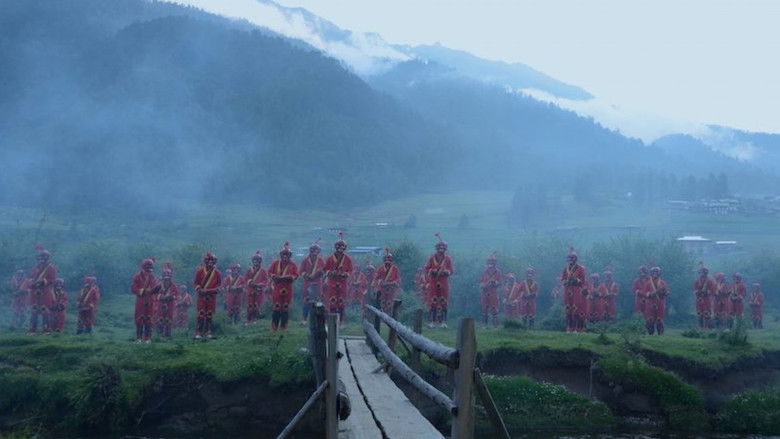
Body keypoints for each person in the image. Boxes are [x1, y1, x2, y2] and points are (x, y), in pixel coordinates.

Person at [425, 233, 454, 328]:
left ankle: (443, 322)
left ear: (445, 249)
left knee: (444, 301)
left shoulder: (448, 258)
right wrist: (432, 270)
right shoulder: (431, 258)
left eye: (443, 248)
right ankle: (432, 322)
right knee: (433, 301)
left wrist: (446, 271)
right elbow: (427, 268)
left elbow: (451, 270)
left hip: (444, 282)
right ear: (437, 248)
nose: (441, 249)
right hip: (433, 281)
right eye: (439, 247)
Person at [323, 233, 353, 326]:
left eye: (342, 247)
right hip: (332, 282)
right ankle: (332, 322)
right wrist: (331, 273)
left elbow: (350, 271)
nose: (340, 249)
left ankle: (341, 322)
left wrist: (345, 274)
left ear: (344, 248)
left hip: (342, 282)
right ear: (336, 248)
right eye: (339, 247)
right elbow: (325, 269)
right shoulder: (330, 259)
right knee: (332, 301)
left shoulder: (348, 259)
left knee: (341, 302)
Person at [268, 242, 299, 332]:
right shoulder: (275, 263)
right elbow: (269, 272)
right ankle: (274, 327)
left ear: (289, 256)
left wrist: (289, 277)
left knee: (285, 307)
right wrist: (274, 276)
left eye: (287, 254)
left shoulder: (293, 264)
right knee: (277, 306)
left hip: (288, 288)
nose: (285, 256)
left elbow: (296, 274)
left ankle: (283, 327)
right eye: (283, 254)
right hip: (277, 288)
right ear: (281, 255)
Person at [27, 244, 57, 335]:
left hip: (45, 291)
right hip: (35, 291)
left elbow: (53, 279)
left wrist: (43, 281)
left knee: (45, 311)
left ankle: (46, 330)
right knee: (34, 310)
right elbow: (31, 277)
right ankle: (32, 329)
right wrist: (31, 282)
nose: (41, 258)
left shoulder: (51, 268)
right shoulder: (35, 267)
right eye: (40, 256)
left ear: (47, 257)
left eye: (43, 256)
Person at [193, 252, 222, 339]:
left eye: (212, 261)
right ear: (205, 261)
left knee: (209, 314)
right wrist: (199, 289)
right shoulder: (199, 271)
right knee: (201, 313)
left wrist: (212, 290)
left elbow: (219, 285)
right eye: (208, 261)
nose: (210, 263)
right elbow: (196, 283)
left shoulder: (217, 273)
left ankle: (208, 331)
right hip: (201, 296)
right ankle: (198, 331)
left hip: (211, 297)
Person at [131, 258, 159, 343]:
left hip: (150, 301)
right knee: (139, 319)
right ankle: (139, 338)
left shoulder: (152, 277)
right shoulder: (137, 276)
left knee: (149, 319)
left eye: (151, 266)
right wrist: (143, 291)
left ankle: (148, 338)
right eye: (148, 266)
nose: (149, 268)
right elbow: (133, 288)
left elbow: (155, 289)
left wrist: (156, 289)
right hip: (141, 300)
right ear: (144, 266)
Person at [560, 247, 587, 333]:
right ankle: (568, 328)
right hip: (568, 290)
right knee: (568, 308)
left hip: (576, 290)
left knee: (576, 308)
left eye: (572, 258)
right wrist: (566, 281)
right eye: (569, 258)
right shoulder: (565, 269)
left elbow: (583, 280)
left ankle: (575, 328)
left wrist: (576, 280)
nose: (571, 259)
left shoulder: (580, 268)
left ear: (576, 259)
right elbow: (562, 279)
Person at [299, 241, 324, 324]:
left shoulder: (321, 261)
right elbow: (301, 271)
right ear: (310, 251)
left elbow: (324, 271)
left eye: (316, 251)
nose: (315, 253)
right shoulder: (305, 261)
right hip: (307, 283)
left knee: (318, 300)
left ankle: (318, 319)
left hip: (318, 283)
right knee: (306, 300)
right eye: (313, 251)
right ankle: (304, 319)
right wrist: (307, 275)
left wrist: (318, 272)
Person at [243, 251, 268, 325]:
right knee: (249, 305)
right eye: (254, 260)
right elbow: (245, 279)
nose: (255, 262)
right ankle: (248, 319)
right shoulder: (249, 270)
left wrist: (260, 284)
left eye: (257, 260)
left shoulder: (263, 271)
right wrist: (249, 282)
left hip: (259, 290)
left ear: (260, 261)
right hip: (250, 289)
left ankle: (255, 319)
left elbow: (265, 280)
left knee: (256, 305)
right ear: (252, 261)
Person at [373, 249, 401, 314]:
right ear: (384, 260)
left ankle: (389, 315)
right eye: (386, 259)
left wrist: (394, 282)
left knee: (390, 302)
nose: (387, 261)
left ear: (391, 260)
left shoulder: (395, 269)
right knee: (382, 302)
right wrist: (380, 282)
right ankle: (382, 315)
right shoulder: (380, 268)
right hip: (382, 288)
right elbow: (376, 278)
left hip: (391, 288)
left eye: (389, 259)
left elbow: (398, 279)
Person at [479, 253, 503, 328]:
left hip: (493, 292)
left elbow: (500, 282)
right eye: (489, 261)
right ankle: (484, 325)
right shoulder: (484, 271)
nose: (491, 263)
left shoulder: (498, 272)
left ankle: (495, 326)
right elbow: (481, 282)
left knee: (494, 308)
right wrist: (483, 285)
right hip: (485, 292)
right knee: (484, 308)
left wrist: (495, 282)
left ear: (495, 262)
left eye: (492, 261)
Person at [643, 266, 668, 335]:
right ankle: (650, 333)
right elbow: (646, 294)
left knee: (659, 318)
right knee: (650, 318)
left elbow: (666, 293)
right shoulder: (648, 283)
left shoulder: (663, 283)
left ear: (659, 273)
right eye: (654, 272)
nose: (655, 273)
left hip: (660, 302)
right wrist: (653, 293)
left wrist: (664, 293)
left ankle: (660, 333)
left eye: (657, 272)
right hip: (650, 302)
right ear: (651, 273)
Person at [157, 263, 179, 338]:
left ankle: (167, 334)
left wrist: (171, 297)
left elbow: (176, 295)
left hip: (170, 304)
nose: (167, 279)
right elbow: (156, 294)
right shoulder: (159, 285)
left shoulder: (174, 286)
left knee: (169, 318)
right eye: (165, 277)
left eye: (168, 277)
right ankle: (160, 334)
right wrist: (162, 297)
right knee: (160, 318)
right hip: (161, 304)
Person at [693, 263, 715, 330]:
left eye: (703, 273)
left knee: (706, 313)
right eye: (701, 272)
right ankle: (700, 327)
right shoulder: (697, 281)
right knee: (699, 313)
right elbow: (695, 290)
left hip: (706, 299)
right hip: (699, 299)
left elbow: (712, 290)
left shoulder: (710, 281)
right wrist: (698, 292)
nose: (701, 274)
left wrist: (706, 291)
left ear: (706, 273)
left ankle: (707, 327)